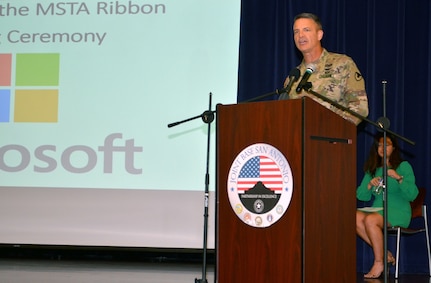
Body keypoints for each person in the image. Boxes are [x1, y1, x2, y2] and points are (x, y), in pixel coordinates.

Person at [282, 12, 369, 125]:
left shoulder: (343, 64)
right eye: (296, 32)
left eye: (306, 30)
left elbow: (360, 108)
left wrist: (334, 131)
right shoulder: (292, 79)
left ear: (320, 35)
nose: (300, 35)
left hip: (333, 139)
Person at [356, 132, 418, 279]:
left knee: (370, 220)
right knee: (355, 217)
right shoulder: (372, 169)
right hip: (377, 209)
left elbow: (412, 194)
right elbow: (361, 195)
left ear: (394, 148)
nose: (382, 148)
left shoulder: (403, 166)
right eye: (379, 145)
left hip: (398, 210)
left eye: (387, 144)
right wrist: (369, 185)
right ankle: (384, 253)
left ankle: (379, 262)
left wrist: (399, 178)